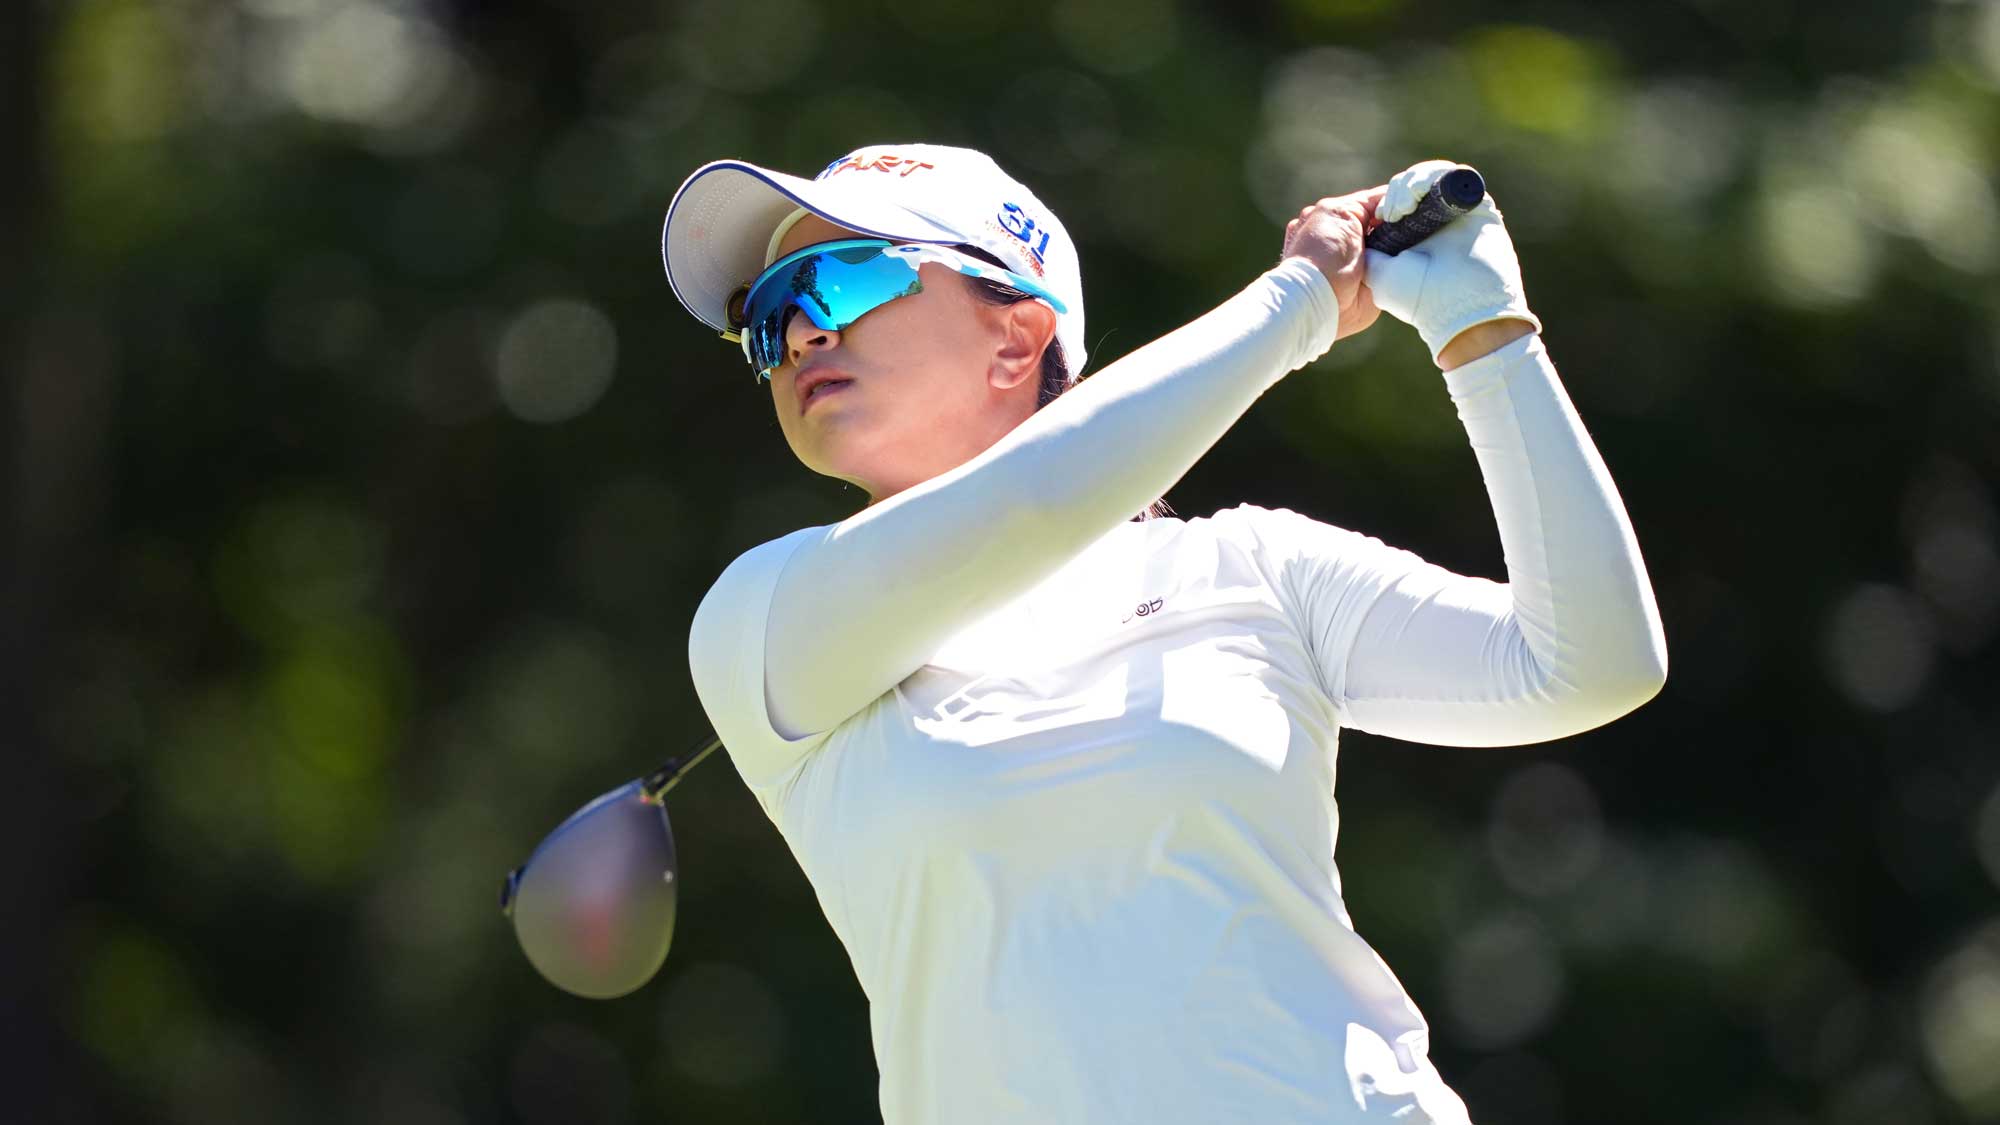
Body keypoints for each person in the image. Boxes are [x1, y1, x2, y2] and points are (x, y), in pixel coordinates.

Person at [659, 142, 1666, 1124]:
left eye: (838, 282)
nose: (799, 334)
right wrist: (1298, 302)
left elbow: (1588, 665)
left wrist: (1485, 336)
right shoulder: (762, 617)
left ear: (1016, 338)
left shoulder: (1249, 567)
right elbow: (1037, 502)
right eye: (769, 312)